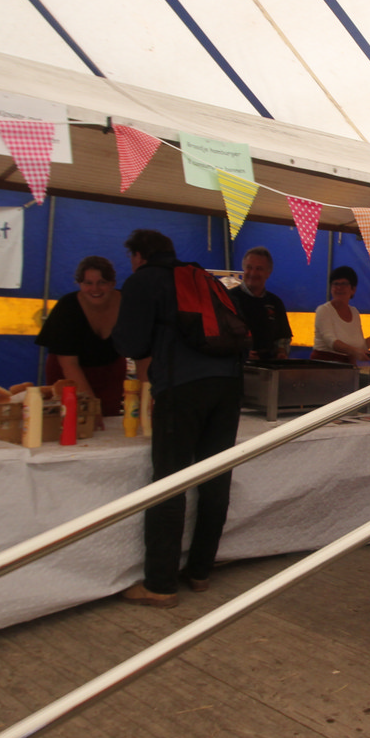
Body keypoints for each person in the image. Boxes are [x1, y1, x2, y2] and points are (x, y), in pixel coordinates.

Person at [112, 229, 244, 608]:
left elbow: (130, 344)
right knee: (215, 479)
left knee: (169, 482)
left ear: (139, 256)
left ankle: (160, 584)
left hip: (182, 387)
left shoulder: (144, 280)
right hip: (229, 384)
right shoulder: (203, 276)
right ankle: (200, 572)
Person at [35, 256, 123, 419]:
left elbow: (144, 352)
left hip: (110, 372)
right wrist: (90, 407)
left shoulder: (127, 303)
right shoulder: (67, 307)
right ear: (79, 284)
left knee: (111, 421)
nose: (95, 289)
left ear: (112, 283)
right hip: (67, 374)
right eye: (88, 283)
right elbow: (69, 364)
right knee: (76, 420)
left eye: (102, 282)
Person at [228, 246, 293, 361]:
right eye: (249, 267)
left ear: (268, 273)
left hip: (269, 365)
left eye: (259, 269)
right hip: (237, 366)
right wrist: (242, 353)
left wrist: (281, 352)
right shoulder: (228, 299)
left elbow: (283, 337)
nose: (253, 273)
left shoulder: (275, 302)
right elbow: (221, 337)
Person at [311, 265, 370, 364]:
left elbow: (360, 346)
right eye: (335, 284)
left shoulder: (354, 312)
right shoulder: (323, 310)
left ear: (353, 289)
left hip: (348, 367)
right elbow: (331, 341)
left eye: (344, 284)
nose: (339, 288)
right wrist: (354, 351)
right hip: (323, 366)